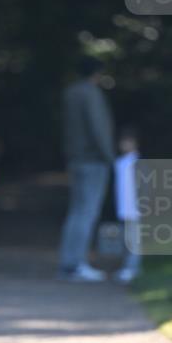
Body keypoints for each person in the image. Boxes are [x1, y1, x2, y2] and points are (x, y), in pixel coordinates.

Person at [57, 58, 115, 282]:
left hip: (75, 159)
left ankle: (69, 263)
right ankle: (76, 264)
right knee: (87, 212)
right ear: (97, 73)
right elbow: (98, 129)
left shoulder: (70, 93)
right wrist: (110, 158)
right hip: (93, 160)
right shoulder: (91, 94)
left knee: (76, 212)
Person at [113, 128, 142, 283]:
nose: (124, 145)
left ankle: (132, 268)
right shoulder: (119, 163)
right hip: (124, 208)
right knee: (126, 240)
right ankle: (127, 267)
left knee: (134, 240)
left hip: (135, 209)